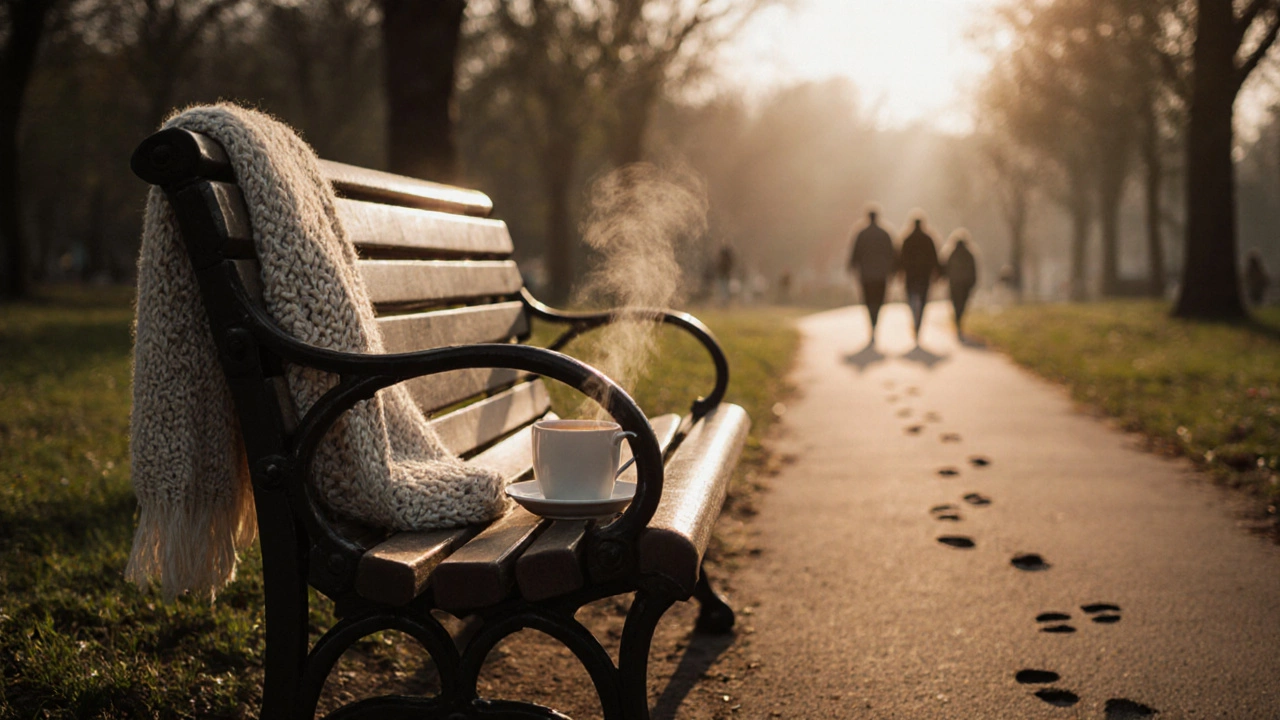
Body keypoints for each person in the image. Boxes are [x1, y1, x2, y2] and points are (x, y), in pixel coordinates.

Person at [848, 206, 896, 344]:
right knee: (879, 301)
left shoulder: (861, 234)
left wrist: (852, 266)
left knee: (869, 300)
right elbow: (892, 253)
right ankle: (875, 322)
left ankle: (872, 323)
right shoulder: (885, 234)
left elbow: (855, 253)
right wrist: (893, 270)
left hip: (866, 275)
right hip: (881, 275)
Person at [899, 214, 940, 343]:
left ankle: (914, 318)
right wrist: (937, 273)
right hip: (924, 275)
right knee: (922, 301)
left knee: (911, 299)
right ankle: (918, 324)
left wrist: (899, 272)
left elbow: (901, 258)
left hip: (911, 276)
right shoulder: (928, 239)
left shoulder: (907, 239)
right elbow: (934, 258)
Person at [943, 230, 978, 340]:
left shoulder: (951, 253)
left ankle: (957, 319)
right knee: (962, 303)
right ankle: (959, 320)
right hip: (965, 283)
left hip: (955, 283)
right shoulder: (969, 254)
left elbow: (945, 267)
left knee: (956, 303)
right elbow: (973, 270)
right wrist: (972, 282)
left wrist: (945, 278)